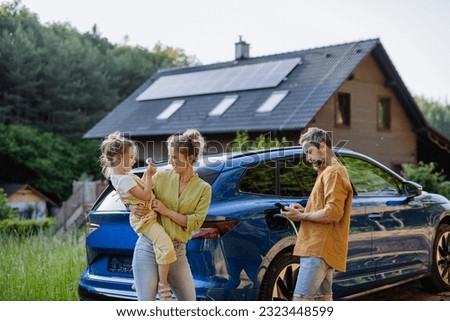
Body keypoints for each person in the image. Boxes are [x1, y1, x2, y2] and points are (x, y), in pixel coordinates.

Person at [130, 129, 212, 301]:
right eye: (170, 156)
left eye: (174, 157)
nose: (170, 161)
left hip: (177, 252)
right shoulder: (161, 177)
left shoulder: (203, 189)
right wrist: (133, 208)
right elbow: (138, 196)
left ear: (189, 157)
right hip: (149, 248)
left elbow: (194, 223)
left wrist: (166, 211)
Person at [99, 131, 176, 301]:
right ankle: (163, 287)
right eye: (131, 156)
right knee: (166, 247)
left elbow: (129, 197)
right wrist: (148, 174)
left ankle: (140, 279)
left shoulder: (120, 176)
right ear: (119, 157)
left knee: (157, 249)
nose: (134, 160)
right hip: (145, 220)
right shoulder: (124, 179)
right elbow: (146, 195)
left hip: (145, 217)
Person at [281, 127, 353, 301]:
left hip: (318, 249)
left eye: (310, 152)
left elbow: (332, 214)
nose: (308, 158)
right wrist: (304, 211)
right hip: (322, 248)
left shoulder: (333, 172)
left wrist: (300, 217)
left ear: (322, 146)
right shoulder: (327, 172)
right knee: (323, 300)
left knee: (300, 301)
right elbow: (328, 209)